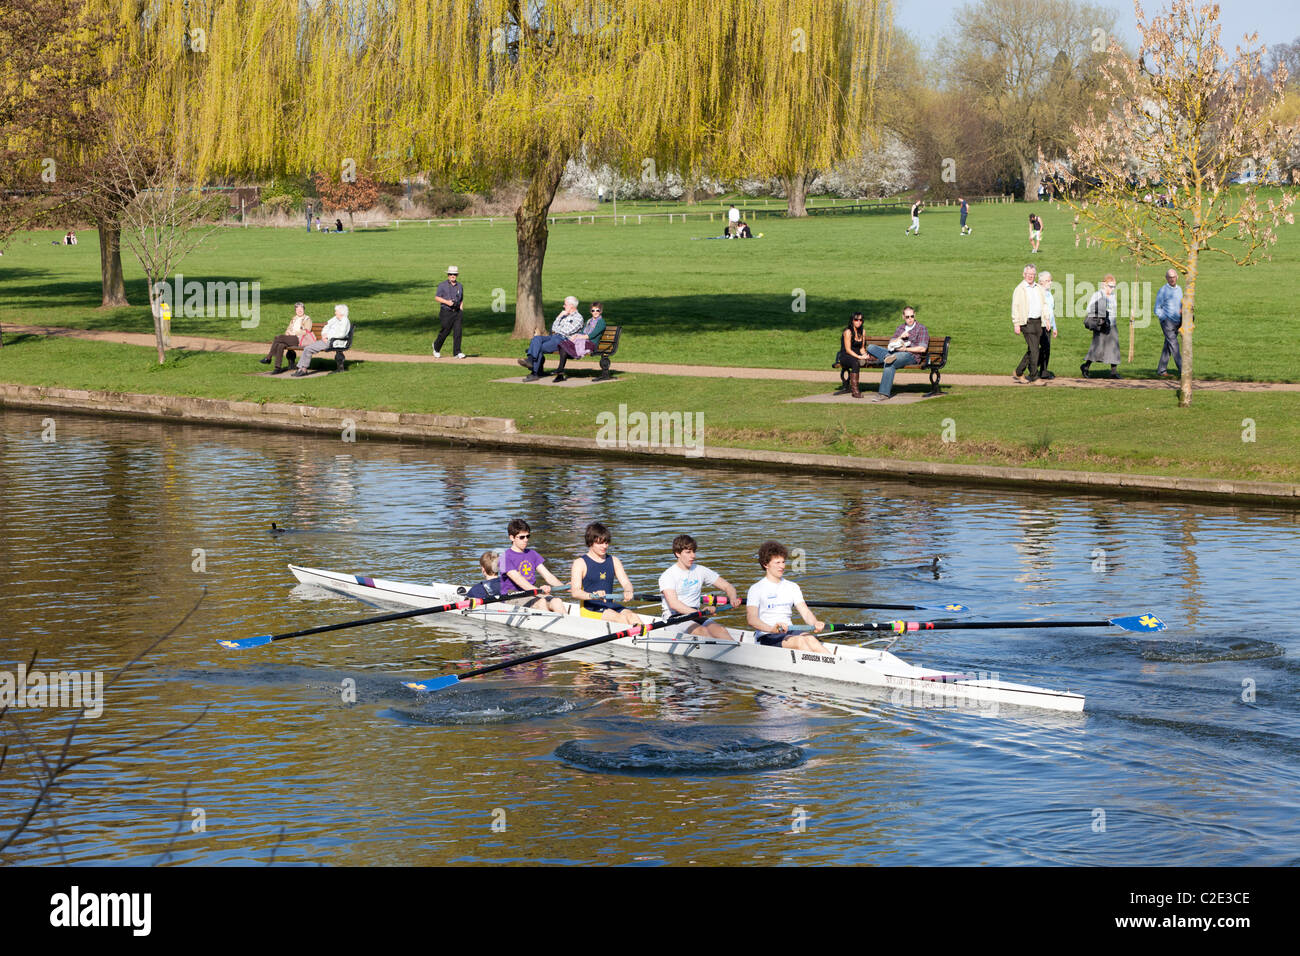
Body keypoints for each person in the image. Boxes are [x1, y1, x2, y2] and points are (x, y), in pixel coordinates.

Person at [746, 541, 828, 652]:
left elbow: (805, 612)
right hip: (768, 635)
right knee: (800, 641)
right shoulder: (756, 589)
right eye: (777, 562)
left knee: (810, 638)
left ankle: (837, 665)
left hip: (789, 631)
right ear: (766, 564)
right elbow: (751, 619)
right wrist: (771, 629)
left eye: (783, 562)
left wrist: (815, 623)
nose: (782, 566)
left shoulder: (792, 586)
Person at [659, 534, 740, 641]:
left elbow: (728, 586)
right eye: (688, 552)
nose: (693, 556)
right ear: (677, 553)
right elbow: (675, 605)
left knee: (721, 631)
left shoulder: (700, 570)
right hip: (674, 618)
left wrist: (733, 598)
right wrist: (699, 612)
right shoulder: (668, 575)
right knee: (703, 632)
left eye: (693, 551)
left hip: (696, 614)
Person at [570, 522, 640, 629]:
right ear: (590, 543)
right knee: (619, 619)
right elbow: (575, 592)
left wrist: (628, 591)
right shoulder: (580, 563)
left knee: (633, 616)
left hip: (609, 606)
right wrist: (593, 595)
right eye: (600, 543)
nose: (604, 546)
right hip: (590, 608)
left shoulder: (614, 561)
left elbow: (626, 583)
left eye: (606, 543)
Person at [499, 519, 566, 613]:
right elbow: (519, 580)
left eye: (528, 536)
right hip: (512, 596)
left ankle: (566, 625)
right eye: (522, 537)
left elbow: (548, 576)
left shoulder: (532, 554)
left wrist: (564, 587)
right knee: (541, 602)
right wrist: (539, 591)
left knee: (557, 602)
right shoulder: (504, 557)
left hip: (532, 593)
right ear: (512, 538)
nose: (526, 540)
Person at [865, 306, 929, 402]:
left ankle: (883, 393)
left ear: (915, 315)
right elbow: (891, 344)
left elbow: (922, 348)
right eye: (907, 317)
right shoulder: (900, 328)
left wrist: (905, 349)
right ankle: (886, 357)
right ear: (903, 317)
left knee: (890, 362)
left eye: (912, 316)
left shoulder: (921, 328)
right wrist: (900, 336)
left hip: (910, 355)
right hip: (894, 352)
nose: (910, 319)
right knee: (871, 347)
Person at [519, 295, 584, 381]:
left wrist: (558, 329)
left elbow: (566, 331)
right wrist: (559, 317)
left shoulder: (578, 318)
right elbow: (554, 328)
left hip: (562, 340)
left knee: (539, 348)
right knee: (536, 338)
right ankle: (531, 361)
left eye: (565, 304)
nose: (563, 306)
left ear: (571, 305)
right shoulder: (564, 315)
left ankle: (534, 372)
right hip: (553, 337)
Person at [291, 303, 350, 376]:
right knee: (307, 348)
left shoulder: (345, 321)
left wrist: (328, 337)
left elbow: (341, 334)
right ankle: (301, 369)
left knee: (308, 349)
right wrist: (324, 334)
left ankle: (303, 369)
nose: (335, 312)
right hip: (327, 340)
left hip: (334, 342)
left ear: (341, 312)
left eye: (336, 311)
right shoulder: (335, 318)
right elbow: (326, 326)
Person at [1080, 274, 1121, 379]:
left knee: (1113, 348)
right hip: (1101, 326)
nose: (1112, 289)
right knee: (1097, 348)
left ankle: (1113, 372)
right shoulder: (1098, 295)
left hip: (1112, 325)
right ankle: (1085, 367)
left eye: (1114, 287)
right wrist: (1100, 316)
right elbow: (1089, 309)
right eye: (1110, 286)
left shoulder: (1113, 296)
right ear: (1104, 285)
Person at [1011, 264, 1044, 384]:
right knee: (1035, 350)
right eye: (1028, 274)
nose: (1030, 276)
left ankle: (1019, 371)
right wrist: (1016, 323)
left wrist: (1047, 320)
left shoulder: (1038, 288)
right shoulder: (1020, 289)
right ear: (1024, 275)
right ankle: (1034, 376)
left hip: (1038, 322)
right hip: (1027, 322)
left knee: (1033, 348)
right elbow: (1015, 306)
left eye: (1032, 274)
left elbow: (1043, 304)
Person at [261, 302, 314, 374]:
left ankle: (268, 357)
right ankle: (277, 368)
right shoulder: (294, 318)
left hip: (298, 339)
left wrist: (294, 333)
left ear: (304, 309)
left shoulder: (307, 319)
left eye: (301, 308)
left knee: (278, 337)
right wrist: (287, 332)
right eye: (297, 309)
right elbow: (288, 328)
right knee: (280, 345)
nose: (299, 310)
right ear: (295, 310)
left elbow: (307, 331)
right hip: (290, 338)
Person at [1154, 268, 1183, 377]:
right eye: (1169, 277)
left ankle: (1161, 370)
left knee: (1168, 346)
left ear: (1177, 277)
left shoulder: (1179, 289)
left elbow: (1180, 304)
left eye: (1173, 277)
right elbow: (1157, 309)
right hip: (1167, 322)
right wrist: (1164, 318)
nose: (1172, 279)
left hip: (1178, 321)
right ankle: (1183, 369)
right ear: (1166, 278)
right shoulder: (1163, 291)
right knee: (1174, 345)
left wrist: (1184, 309)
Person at [432, 265, 466, 358]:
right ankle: (436, 346)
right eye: (451, 274)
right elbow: (437, 297)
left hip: (457, 312)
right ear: (448, 275)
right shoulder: (442, 285)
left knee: (458, 332)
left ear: (457, 275)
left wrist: (461, 309)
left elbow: (461, 299)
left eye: (454, 274)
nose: (452, 276)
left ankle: (457, 352)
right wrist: (447, 302)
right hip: (446, 312)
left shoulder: (460, 286)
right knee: (445, 331)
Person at [836, 312, 870, 398]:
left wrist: (865, 355)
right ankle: (855, 391)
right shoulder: (848, 332)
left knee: (871, 359)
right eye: (856, 320)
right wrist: (859, 357)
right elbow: (848, 349)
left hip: (856, 355)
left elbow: (862, 348)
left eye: (861, 320)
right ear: (852, 320)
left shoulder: (863, 331)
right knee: (855, 362)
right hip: (845, 356)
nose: (858, 322)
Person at [1037, 270, 1058, 380]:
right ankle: (1033, 367)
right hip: (1040, 324)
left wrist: (1055, 326)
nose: (1050, 282)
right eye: (1048, 281)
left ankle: (1044, 371)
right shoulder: (1038, 293)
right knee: (1038, 348)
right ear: (1041, 282)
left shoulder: (1049, 294)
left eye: (1051, 280)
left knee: (1047, 348)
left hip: (1048, 325)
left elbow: (1051, 311)